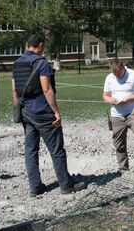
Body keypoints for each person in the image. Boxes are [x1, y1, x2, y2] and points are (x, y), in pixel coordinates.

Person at [12, 34, 86, 196]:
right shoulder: (41, 63)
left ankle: (35, 187)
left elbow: (15, 91)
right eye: (43, 46)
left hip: (26, 112)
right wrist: (56, 112)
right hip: (43, 112)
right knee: (56, 149)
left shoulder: (17, 63)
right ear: (39, 45)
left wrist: (19, 112)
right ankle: (66, 185)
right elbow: (47, 90)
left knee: (31, 150)